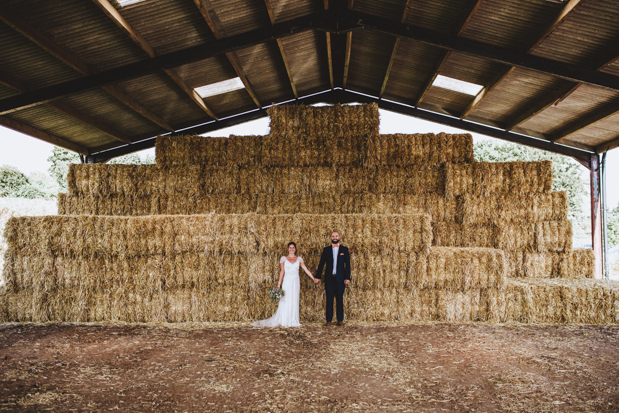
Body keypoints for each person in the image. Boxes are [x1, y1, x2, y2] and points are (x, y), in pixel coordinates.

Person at [252, 242, 319, 327]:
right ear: (288, 249)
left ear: (295, 249)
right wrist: (278, 284)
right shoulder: (283, 259)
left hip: (295, 282)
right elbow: (282, 271)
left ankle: (292, 320)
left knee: (294, 299)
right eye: (290, 247)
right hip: (287, 282)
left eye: (293, 247)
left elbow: (306, 270)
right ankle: (284, 319)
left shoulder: (299, 259)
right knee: (286, 299)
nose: (291, 249)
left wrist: (313, 278)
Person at [315, 230, 351, 326]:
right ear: (330, 238)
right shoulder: (326, 250)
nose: (335, 237)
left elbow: (347, 265)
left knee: (340, 299)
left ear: (339, 237)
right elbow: (321, 264)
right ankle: (329, 320)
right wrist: (317, 276)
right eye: (333, 236)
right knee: (329, 299)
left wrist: (347, 277)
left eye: (336, 236)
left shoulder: (344, 249)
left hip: (340, 279)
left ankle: (340, 320)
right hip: (329, 279)